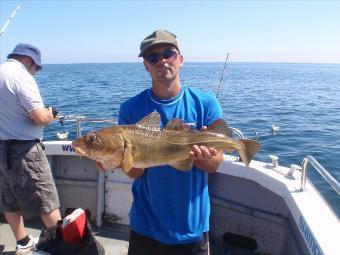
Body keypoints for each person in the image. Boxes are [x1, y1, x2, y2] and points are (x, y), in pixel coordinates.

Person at [119, 29, 224, 255]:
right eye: (153, 58)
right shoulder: (129, 109)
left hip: (190, 228)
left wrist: (205, 158)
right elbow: (134, 173)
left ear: (181, 59)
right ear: (146, 65)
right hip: (145, 226)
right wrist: (120, 158)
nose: (162, 61)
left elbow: (215, 163)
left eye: (169, 53)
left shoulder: (206, 103)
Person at [0, 43, 62, 255]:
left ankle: (23, 241)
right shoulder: (21, 76)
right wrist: (50, 114)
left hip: (1, 150)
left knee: (9, 199)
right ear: (28, 61)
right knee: (47, 202)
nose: (35, 72)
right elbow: (41, 118)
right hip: (24, 151)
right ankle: (64, 247)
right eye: (36, 68)